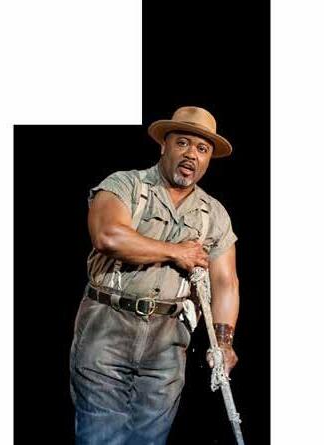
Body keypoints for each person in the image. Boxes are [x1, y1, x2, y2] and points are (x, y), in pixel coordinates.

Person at [69, 106, 240, 444]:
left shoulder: (214, 214)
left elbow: (225, 282)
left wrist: (223, 343)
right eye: (182, 143)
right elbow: (108, 237)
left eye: (202, 149)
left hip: (168, 339)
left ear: (208, 159)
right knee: (101, 435)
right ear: (164, 145)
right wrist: (178, 252)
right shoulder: (125, 185)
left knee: (150, 438)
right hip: (108, 326)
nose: (191, 154)